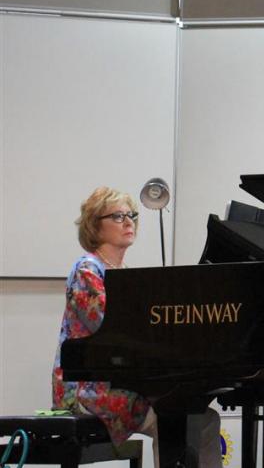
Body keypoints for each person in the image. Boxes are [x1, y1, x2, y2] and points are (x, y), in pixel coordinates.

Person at [51, 186, 223, 468]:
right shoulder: (86, 270)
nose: (129, 221)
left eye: (131, 215)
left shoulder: (125, 274)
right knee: (179, 419)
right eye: (118, 216)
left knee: (202, 417)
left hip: (121, 383)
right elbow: (108, 327)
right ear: (96, 225)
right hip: (88, 389)